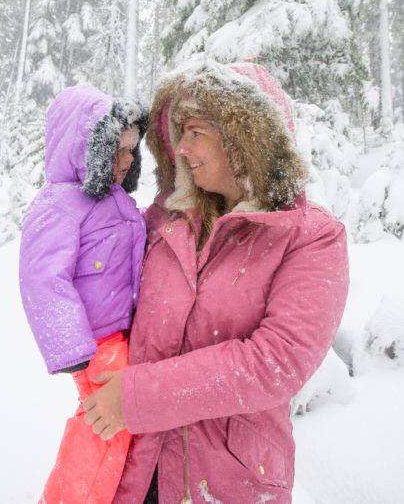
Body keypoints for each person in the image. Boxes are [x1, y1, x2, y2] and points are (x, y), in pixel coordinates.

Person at [82, 60, 349, 504]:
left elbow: (275, 363)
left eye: (195, 132)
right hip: (136, 470)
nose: (180, 148)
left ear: (244, 138)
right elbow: (106, 284)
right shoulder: (165, 219)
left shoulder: (311, 238)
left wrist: (137, 397)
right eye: (178, 132)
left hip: (227, 482)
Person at [19, 85, 148, 504]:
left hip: (124, 332)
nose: (127, 160)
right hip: (97, 340)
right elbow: (42, 278)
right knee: (108, 424)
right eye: (118, 151)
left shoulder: (117, 201)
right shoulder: (59, 204)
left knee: (118, 417)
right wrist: (74, 347)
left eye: (132, 150)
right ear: (87, 149)